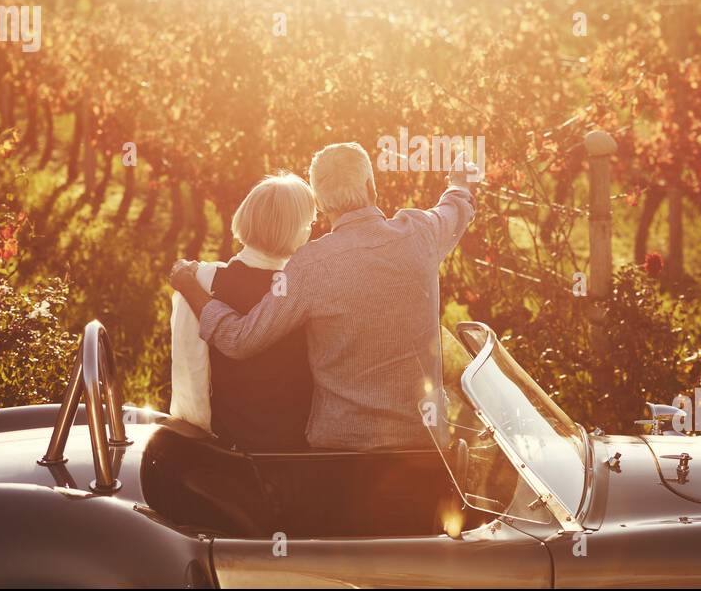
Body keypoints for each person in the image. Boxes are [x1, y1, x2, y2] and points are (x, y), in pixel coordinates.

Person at [170, 142, 476, 451]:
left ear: (320, 203)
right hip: (424, 448)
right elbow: (454, 209)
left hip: (341, 458)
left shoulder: (310, 265)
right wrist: (459, 183)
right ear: (371, 186)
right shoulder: (421, 232)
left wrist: (189, 285)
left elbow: (240, 339)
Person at [168, 172, 315, 451]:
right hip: (293, 446)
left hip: (227, 441)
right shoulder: (304, 291)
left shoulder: (202, 279)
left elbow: (191, 368)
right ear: (297, 229)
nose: (310, 230)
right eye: (308, 223)